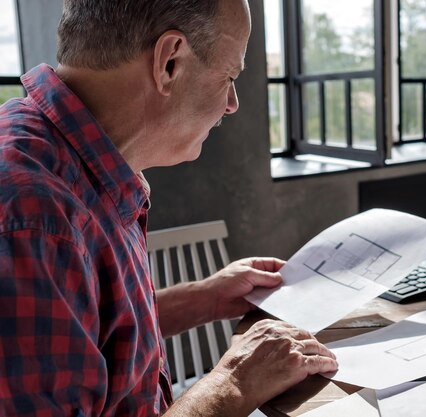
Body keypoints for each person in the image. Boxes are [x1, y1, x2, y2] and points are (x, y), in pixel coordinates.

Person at [0, 0, 338, 416]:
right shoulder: (33, 219)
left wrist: (205, 298)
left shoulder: (72, 162)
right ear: (170, 62)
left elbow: (87, 332)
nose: (232, 103)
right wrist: (232, 382)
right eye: (229, 75)